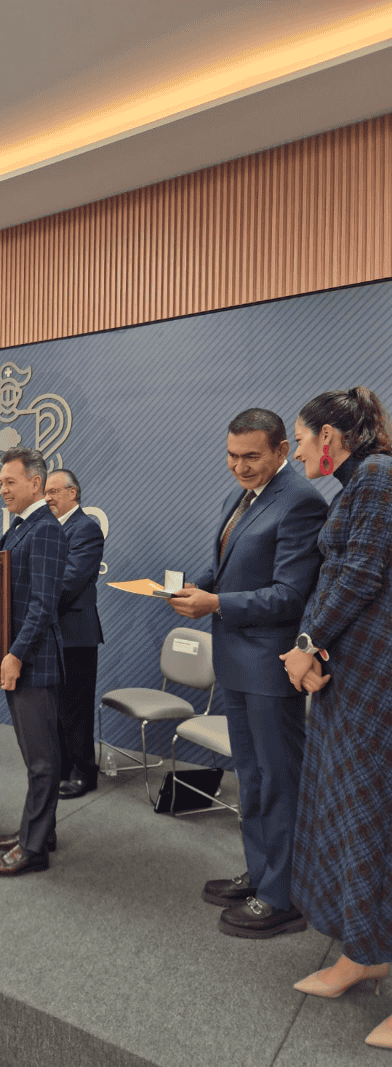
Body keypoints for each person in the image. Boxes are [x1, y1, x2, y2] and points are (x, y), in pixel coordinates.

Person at [170, 408, 327, 938]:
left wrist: (215, 603)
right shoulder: (239, 496)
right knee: (252, 778)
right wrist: (194, 588)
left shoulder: (301, 502)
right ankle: (262, 875)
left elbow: (290, 596)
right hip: (235, 661)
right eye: (232, 456)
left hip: (270, 667)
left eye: (251, 457)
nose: (239, 466)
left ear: (282, 451)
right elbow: (224, 565)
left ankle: (284, 897)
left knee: (281, 782)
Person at [278, 387, 392, 1050]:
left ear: (331, 435)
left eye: (300, 437)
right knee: (350, 820)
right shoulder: (359, 483)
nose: (297, 451)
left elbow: (361, 572)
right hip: (348, 678)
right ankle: (365, 951)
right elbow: (339, 576)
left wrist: (308, 642)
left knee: (377, 819)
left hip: (375, 682)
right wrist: (313, 648)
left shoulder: (377, 476)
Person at [0, 446, 68, 877]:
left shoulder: (46, 530)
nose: (2, 488)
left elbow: (43, 605)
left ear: (35, 483)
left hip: (34, 661)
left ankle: (32, 850)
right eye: (0, 481)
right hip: (22, 658)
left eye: (9, 481)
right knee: (36, 754)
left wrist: (14, 655)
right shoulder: (19, 528)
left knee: (41, 760)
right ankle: (39, 831)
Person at [44, 469, 104, 799]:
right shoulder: (48, 528)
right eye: (46, 492)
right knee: (56, 707)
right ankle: (63, 767)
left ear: (73, 493)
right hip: (52, 632)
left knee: (76, 709)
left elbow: (69, 582)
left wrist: (35, 600)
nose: (48, 497)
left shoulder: (86, 529)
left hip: (76, 634)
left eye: (55, 491)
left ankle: (84, 772)